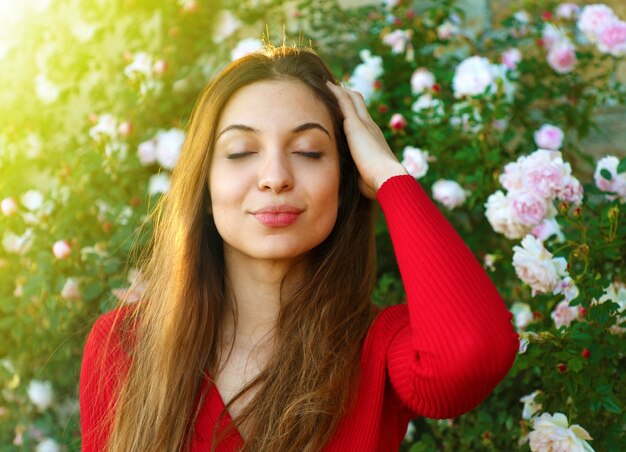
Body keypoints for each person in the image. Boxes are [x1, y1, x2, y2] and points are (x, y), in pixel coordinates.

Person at [79, 45, 519, 452]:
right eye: (240, 151)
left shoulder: (379, 349)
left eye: (309, 151)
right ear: (204, 186)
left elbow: (472, 353)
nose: (275, 176)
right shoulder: (124, 346)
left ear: (346, 184)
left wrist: (388, 174)